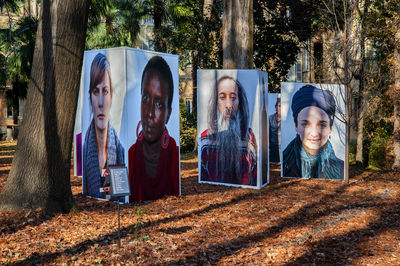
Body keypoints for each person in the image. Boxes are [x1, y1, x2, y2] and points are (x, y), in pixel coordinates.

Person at [128, 56, 179, 202]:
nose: (149, 113)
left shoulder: (174, 155)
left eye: (158, 104)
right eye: (145, 98)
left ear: (168, 114)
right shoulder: (131, 155)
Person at [200, 76, 257, 185]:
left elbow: (254, 178)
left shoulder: (249, 137)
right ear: (215, 103)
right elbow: (204, 180)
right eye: (222, 98)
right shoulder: (205, 139)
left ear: (240, 102)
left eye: (233, 98)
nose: (229, 105)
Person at [83, 53, 125, 199]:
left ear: (111, 96)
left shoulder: (120, 150)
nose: (101, 102)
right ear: (90, 98)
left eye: (105, 91)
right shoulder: (84, 149)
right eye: (96, 91)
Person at [282, 84, 343, 179]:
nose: (314, 133)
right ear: (296, 125)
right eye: (305, 124)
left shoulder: (341, 169)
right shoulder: (284, 164)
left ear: (330, 128)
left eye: (322, 125)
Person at [269, 97, 281, 163]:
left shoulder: (286, 121)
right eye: (279, 106)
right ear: (276, 107)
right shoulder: (270, 119)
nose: (280, 109)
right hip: (273, 148)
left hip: (282, 147)